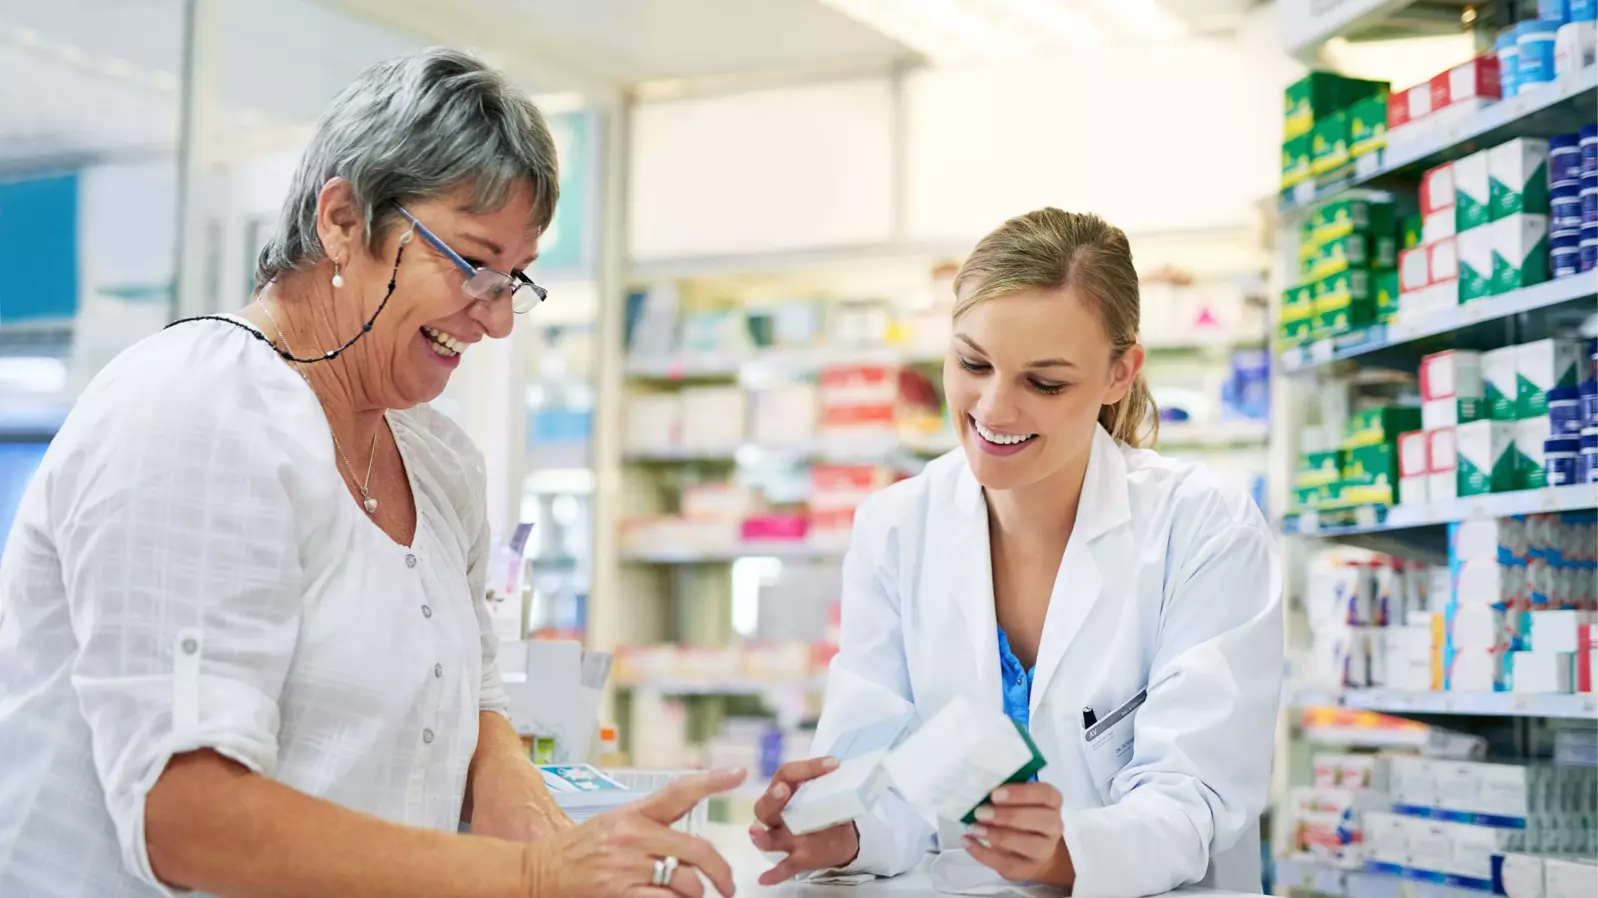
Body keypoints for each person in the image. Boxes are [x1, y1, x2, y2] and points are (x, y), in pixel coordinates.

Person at [0, 49, 743, 898]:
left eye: (514, 279)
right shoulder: (199, 411)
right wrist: (533, 876)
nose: (497, 318)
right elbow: (186, 817)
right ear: (345, 220)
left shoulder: (437, 462)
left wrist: (584, 864)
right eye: (472, 264)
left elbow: (478, 722)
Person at [749, 208, 1283, 897]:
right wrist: (842, 829)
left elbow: (1195, 798)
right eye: (973, 363)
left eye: (1045, 382)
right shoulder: (897, 528)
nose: (994, 410)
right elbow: (885, 780)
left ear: (1121, 373)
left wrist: (1070, 853)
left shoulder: (1202, 527)